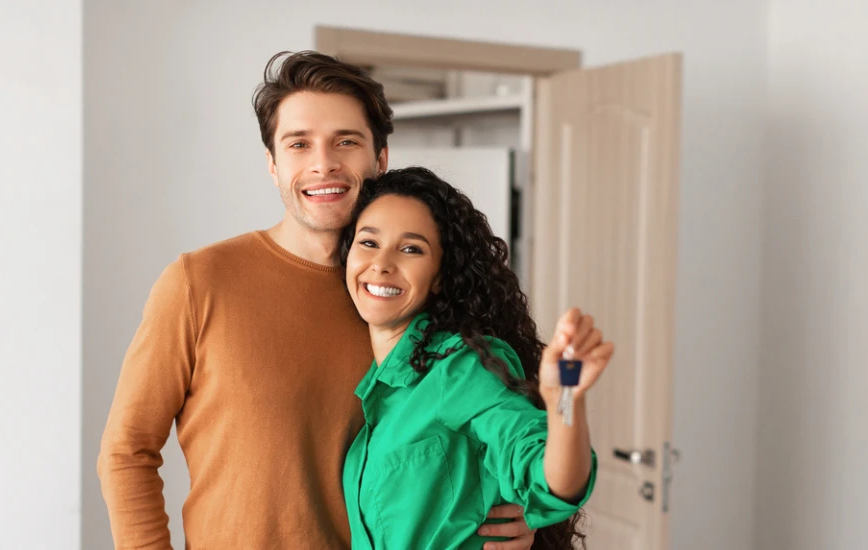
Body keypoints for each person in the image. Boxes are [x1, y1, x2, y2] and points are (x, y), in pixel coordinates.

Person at [97, 51, 538, 549]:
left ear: (380, 158)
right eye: (299, 144)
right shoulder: (198, 283)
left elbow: (483, 435)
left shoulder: (410, 299)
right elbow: (126, 451)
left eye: (345, 142)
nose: (323, 163)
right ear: (272, 163)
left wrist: (518, 511)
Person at [338, 166, 615, 549]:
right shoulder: (377, 384)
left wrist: (566, 397)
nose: (382, 263)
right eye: (369, 242)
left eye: (411, 249)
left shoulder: (460, 367)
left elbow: (549, 480)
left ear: (439, 276)